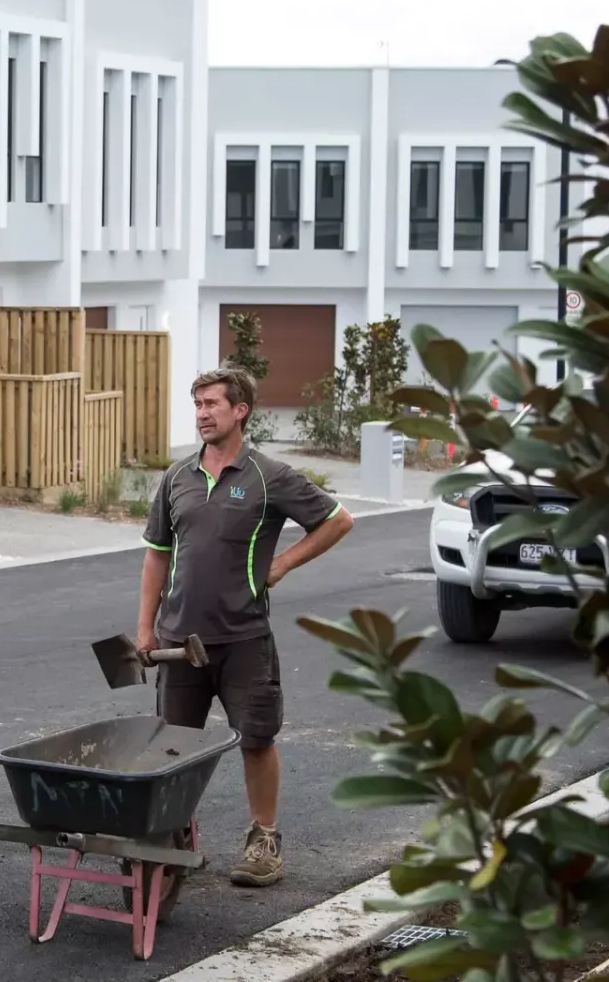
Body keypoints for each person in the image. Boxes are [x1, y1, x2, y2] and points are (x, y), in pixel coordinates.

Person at [136, 366, 354, 887]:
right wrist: (145, 628)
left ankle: (264, 839)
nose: (203, 413)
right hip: (177, 641)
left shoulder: (268, 476)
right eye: (198, 404)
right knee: (174, 747)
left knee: (256, 739)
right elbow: (156, 555)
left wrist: (281, 564)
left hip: (244, 638)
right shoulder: (177, 477)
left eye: (212, 403)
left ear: (241, 411)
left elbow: (337, 520)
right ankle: (173, 840)